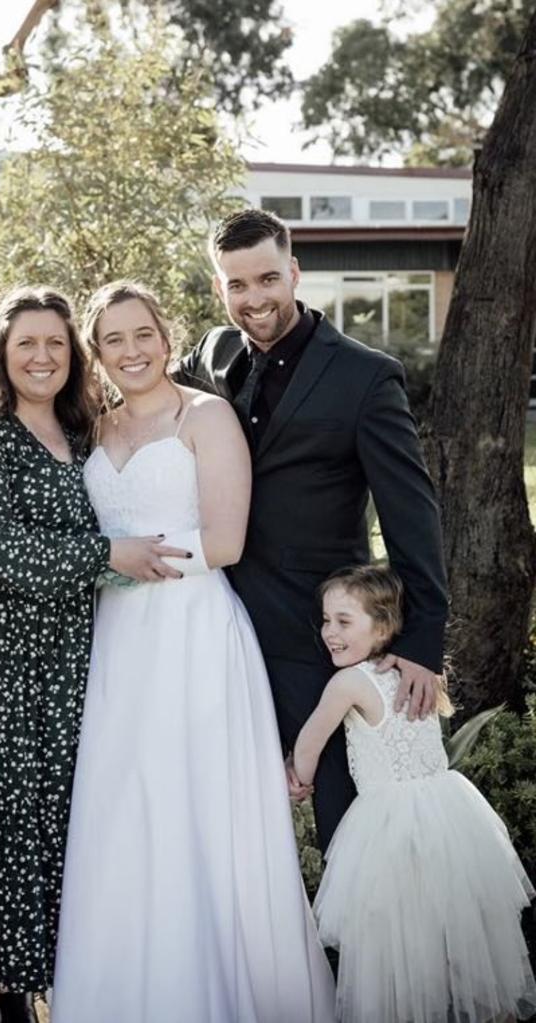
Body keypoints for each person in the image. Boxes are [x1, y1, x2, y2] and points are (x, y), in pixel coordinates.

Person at [51, 281, 336, 1023]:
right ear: (98, 351)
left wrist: (118, 561)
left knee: (198, 810)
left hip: (194, 634)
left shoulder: (205, 416)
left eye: (141, 332)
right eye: (113, 339)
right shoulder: (96, 428)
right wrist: (105, 565)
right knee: (123, 810)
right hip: (118, 646)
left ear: (164, 334)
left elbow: (227, 540)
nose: (131, 350)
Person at [0, 286, 187, 1023]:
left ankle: (49, 993)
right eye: (27, 342)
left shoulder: (86, 432)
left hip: (71, 665)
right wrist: (110, 555)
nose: (42, 356)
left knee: (55, 829)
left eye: (57, 344)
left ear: (76, 356)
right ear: (3, 351)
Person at [174, 207, 449, 849]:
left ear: (294, 273)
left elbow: (411, 510)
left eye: (268, 279)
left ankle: (357, 943)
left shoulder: (364, 376)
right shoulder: (211, 355)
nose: (254, 299)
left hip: (316, 623)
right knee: (229, 793)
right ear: (220, 288)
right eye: (237, 285)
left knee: (337, 796)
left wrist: (422, 638)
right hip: (216, 613)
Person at [292, 564, 536, 1023]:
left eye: (344, 621)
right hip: (449, 813)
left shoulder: (347, 683)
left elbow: (310, 741)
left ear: (382, 626)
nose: (330, 633)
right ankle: (486, 1010)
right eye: (326, 620)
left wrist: (299, 778)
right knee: (457, 929)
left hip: (388, 824)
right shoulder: (415, 672)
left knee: (398, 935)